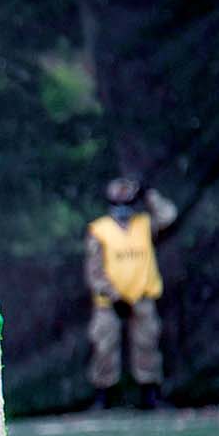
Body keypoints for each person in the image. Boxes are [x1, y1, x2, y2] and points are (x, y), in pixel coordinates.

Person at [85, 175, 177, 408]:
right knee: (104, 346)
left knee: (147, 344)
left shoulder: (144, 224)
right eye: (119, 202)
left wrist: (149, 195)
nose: (123, 208)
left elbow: (169, 216)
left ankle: (150, 394)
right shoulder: (99, 229)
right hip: (109, 302)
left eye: (128, 201)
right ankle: (102, 397)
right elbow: (94, 271)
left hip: (142, 297)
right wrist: (113, 295)